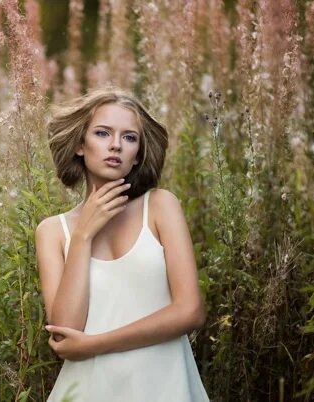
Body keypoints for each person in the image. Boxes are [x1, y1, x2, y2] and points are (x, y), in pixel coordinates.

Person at [35, 87, 210, 401]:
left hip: (165, 387)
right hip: (87, 391)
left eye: (129, 138)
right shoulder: (53, 231)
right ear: (79, 144)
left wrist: (94, 344)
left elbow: (191, 311)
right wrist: (83, 237)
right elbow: (65, 328)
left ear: (138, 154)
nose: (116, 145)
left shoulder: (159, 207)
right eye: (103, 133)